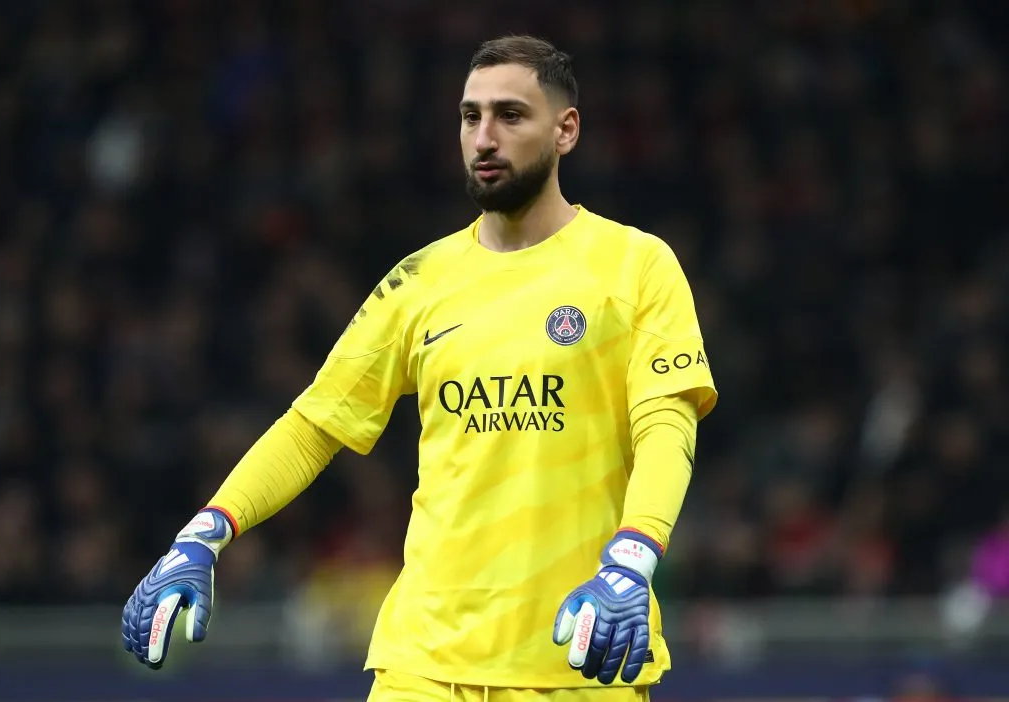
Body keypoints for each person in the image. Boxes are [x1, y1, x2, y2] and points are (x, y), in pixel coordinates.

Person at [121, 34, 718, 702]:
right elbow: (315, 423)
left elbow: (666, 425)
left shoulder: (635, 265)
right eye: (470, 116)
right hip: (421, 666)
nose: (484, 136)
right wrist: (204, 533)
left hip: (579, 652)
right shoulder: (418, 281)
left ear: (565, 131)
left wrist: (634, 557)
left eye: (510, 115)